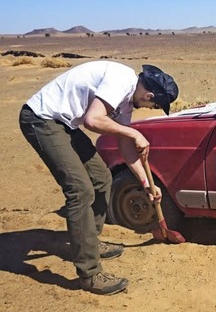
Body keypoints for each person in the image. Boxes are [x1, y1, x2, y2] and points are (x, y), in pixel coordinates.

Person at [18, 60, 179, 296]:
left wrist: (145, 182)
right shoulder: (121, 81)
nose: (149, 108)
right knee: (80, 190)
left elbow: (125, 146)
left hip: (64, 124)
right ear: (149, 94)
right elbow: (93, 120)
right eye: (153, 105)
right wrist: (134, 132)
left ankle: (89, 241)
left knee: (102, 177)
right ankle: (90, 272)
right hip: (41, 120)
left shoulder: (126, 102)